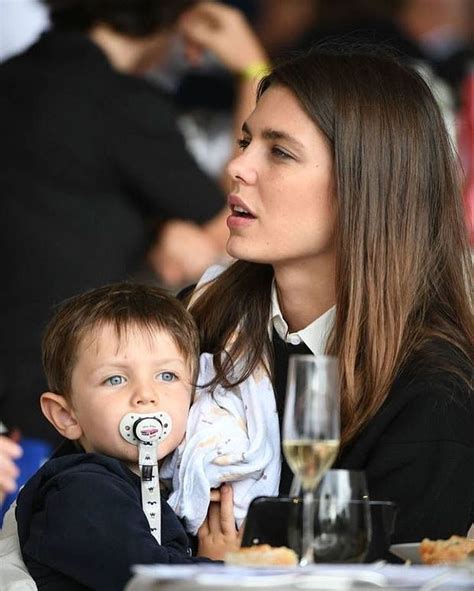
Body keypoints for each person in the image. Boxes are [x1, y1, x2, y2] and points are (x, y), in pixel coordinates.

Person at [184, 46, 474, 549]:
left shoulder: (435, 394)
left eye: (280, 151)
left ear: (367, 186)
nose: (238, 165)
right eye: (245, 141)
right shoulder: (194, 316)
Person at [0, 0, 232, 446]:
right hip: (68, 396)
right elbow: (234, 226)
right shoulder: (119, 101)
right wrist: (252, 67)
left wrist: (154, 226)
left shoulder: (10, 79)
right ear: (168, 18)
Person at [14, 283, 240, 591]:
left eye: (167, 376)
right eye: (115, 379)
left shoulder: (166, 488)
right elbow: (151, 580)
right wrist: (223, 569)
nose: (146, 395)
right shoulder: (80, 493)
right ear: (66, 416)